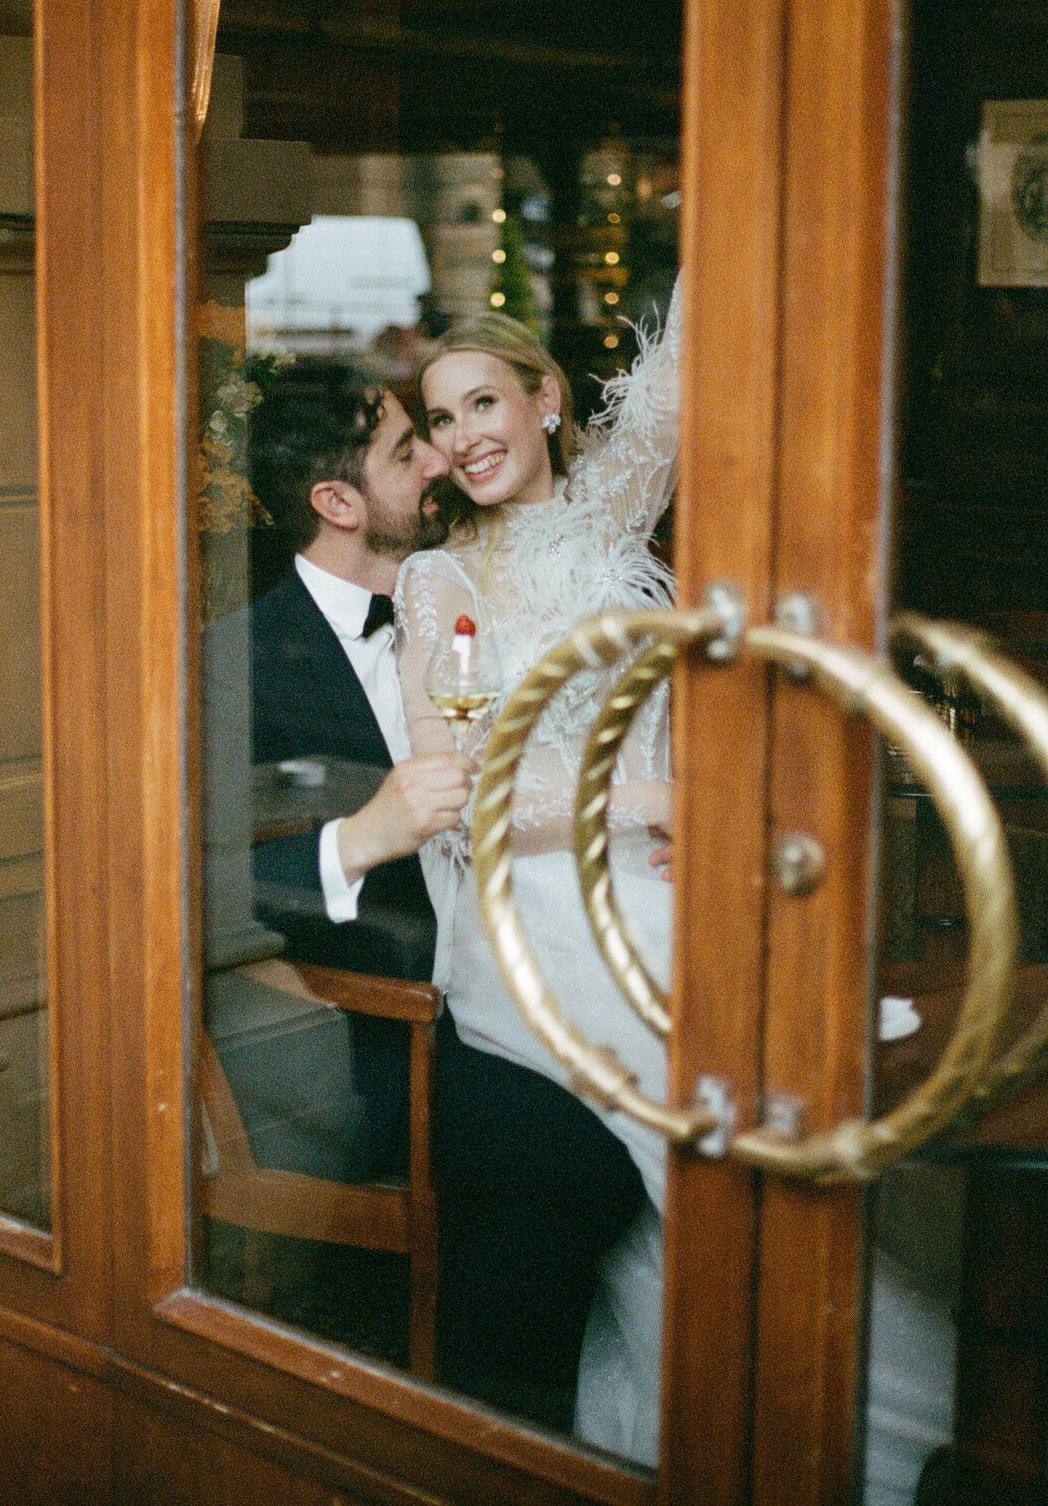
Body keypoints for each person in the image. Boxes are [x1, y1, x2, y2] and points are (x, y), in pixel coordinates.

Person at [213, 356, 645, 1425]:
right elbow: (190, 871)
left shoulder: (474, 573)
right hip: (374, 1026)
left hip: (537, 939)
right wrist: (360, 838)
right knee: (574, 1161)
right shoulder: (240, 659)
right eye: (410, 449)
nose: (443, 455)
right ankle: (486, 1433)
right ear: (339, 502)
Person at [396, 286, 682, 1463]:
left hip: (671, 880)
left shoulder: (614, 515)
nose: (464, 435)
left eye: (483, 401)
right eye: (438, 419)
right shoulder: (440, 584)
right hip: (534, 914)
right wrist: (656, 799)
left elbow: (688, 363)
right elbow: (459, 797)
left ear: (547, 399)